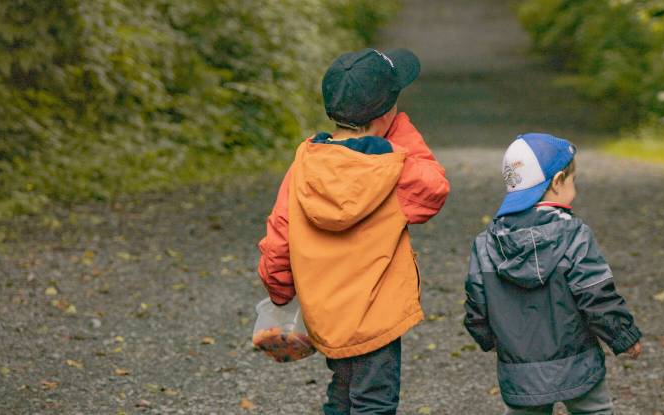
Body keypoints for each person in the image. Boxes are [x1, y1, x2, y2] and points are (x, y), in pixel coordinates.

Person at [258, 47, 450, 415]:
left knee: (342, 394)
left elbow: (278, 238)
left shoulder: (305, 163)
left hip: (327, 312)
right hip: (376, 316)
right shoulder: (393, 166)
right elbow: (434, 190)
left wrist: (280, 292)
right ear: (386, 112)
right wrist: (398, 134)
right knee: (374, 402)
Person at [464, 133, 643, 414]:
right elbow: (595, 293)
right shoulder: (574, 235)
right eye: (574, 181)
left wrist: (491, 340)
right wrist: (623, 335)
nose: (575, 188)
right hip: (578, 361)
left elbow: (476, 306)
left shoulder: (485, 243)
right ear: (558, 181)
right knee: (594, 411)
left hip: (519, 368)